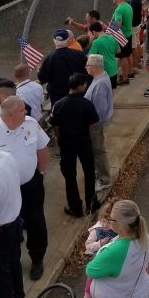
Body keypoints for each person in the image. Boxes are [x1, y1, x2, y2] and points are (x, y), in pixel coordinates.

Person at [0, 96, 50, 280]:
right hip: (8, 192)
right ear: (10, 115)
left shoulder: (31, 123)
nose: (25, 111)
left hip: (31, 185)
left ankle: (37, 259)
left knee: (36, 222)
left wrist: (40, 173)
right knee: (11, 227)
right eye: (21, 110)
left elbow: (42, 148)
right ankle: (14, 263)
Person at [49, 73, 99, 218]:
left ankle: (75, 207)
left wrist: (60, 140)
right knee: (89, 172)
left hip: (66, 145)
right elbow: (93, 125)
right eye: (85, 84)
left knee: (70, 176)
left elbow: (54, 125)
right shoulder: (87, 104)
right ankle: (91, 203)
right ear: (80, 86)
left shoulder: (58, 105)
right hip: (84, 143)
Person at [0, 150, 25, 298]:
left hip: (0, 231)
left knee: (0, 276)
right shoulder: (6, 156)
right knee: (14, 264)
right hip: (13, 221)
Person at [79, 199, 116, 298]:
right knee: (91, 276)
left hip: (112, 259)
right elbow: (88, 246)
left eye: (108, 222)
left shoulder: (117, 230)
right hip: (99, 258)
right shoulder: (97, 231)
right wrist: (99, 244)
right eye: (103, 221)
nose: (105, 225)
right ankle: (86, 297)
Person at [85, 54, 113, 192]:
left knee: (99, 150)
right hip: (96, 122)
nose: (86, 68)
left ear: (95, 67)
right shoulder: (99, 78)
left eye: (88, 65)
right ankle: (100, 174)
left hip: (96, 124)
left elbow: (100, 109)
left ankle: (104, 179)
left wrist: (91, 123)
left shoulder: (100, 84)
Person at [37, 28, 88, 106]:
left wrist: (39, 69)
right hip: (77, 92)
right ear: (68, 40)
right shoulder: (79, 54)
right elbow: (86, 71)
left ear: (54, 41)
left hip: (58, 96)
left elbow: (42, 78)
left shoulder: (50, 58)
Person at [110, 0, 133, 85]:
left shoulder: (119, 9)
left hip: (121, 36)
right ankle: (129, 73)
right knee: (128, 54)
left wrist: (110, 32)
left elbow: (118, 24)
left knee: (123, 57)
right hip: (128, 34)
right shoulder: (128, 6)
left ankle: (124, 78)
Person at [88, 22, 120, 88]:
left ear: (93, 32)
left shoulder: (96, 42)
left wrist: (90, 43)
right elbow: (118, 50)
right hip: (114, 69)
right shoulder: (111, 37)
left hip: (104, 72)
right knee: (111, 92)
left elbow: (90, 57)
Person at [122, 0, 143, 74]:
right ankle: (138, 62)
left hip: (133, 26)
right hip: (137, 24)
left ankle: (134, 67)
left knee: (133, 46)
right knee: (137, 44)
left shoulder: (131, 1)